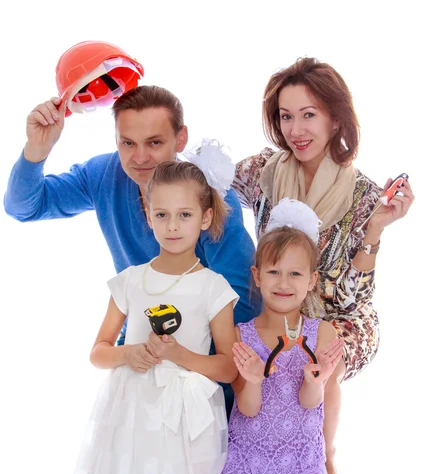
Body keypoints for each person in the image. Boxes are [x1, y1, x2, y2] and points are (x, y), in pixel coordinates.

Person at [232, 57, 414, 474]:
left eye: (308, 114)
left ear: (336, 118)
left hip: (341, 315)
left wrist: (374, 232)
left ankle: (322, 458)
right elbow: (207, 185)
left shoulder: (363, 195)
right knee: (249, 350)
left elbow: (351, 298)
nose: (296, 129)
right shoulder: (264, 171)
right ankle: (246, 465)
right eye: (286, 116)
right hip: (281, 303)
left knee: (322, 349)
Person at [3, 84, 259, 352]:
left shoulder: (208, 193)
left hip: (201, 353)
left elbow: (242, 298)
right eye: (128, 143)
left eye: (154, 142)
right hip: (138, 345)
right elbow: (23, 207)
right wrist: (37, 148)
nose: (139, 157)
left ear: (180, 138)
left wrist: (182, 359)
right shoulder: (102, 174)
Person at [67, 156, 239, 474]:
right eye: (162, 214)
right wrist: (128, 354)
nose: (173, 226)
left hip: (184, 412)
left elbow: (229, 368)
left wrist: (180, 355)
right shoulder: (131, 281)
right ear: (147, 214)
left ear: (205, 217)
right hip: (135, 406)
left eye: (184, 214)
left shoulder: (213, 288)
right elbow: (99, 352)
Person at [218, 199, 344, 474]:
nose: (284, 283)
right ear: (257, 276)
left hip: (300, 466)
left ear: (311, 280)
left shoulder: (323, 335)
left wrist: (316, 381)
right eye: (273, 272)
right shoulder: (241, 334)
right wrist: (253, 379)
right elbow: (247, 408)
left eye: (295, 274)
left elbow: (309, 403)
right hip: (250, 464)